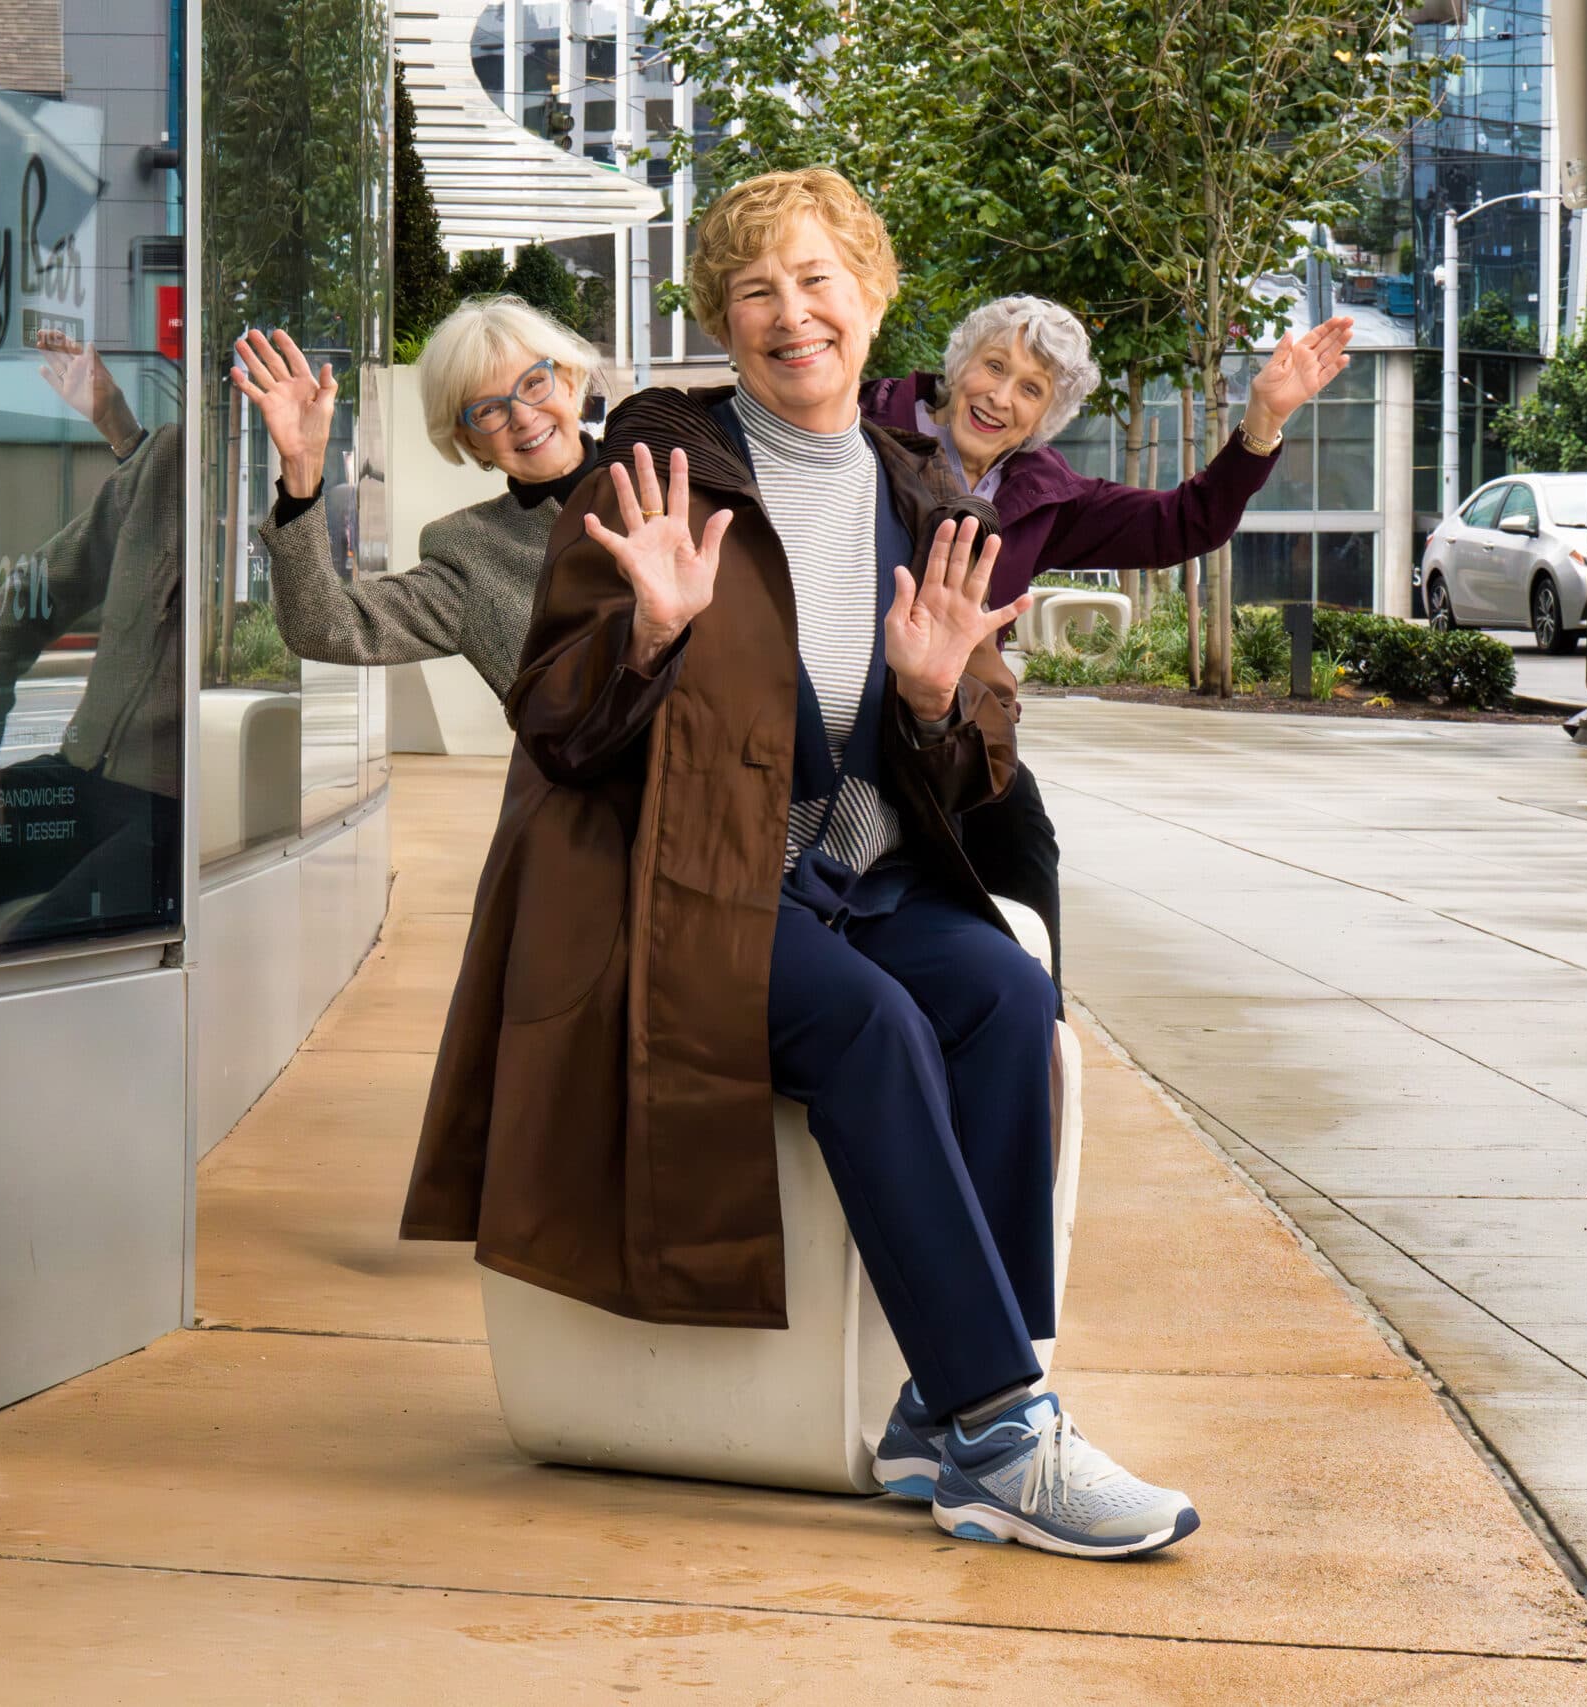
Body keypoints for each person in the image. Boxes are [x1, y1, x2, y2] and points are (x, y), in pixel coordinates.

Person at [401, 168, 1197, 1558]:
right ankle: (1005, 1428)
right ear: (721, 314)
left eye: (820, 279)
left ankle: (957, 1409)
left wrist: (942, 698)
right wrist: (647, 633)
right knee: (873, 1026)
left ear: (876, 301)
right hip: (678, 886)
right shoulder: (655, 469)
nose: (791, 313)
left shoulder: (922, 493)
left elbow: (967, 767)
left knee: (1006, 995)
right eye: (756, 288)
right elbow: (558, 727)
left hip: (854, 879)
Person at [861, 297, 1355, 981]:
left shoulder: (1043, 496)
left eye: (1030, 388)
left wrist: (1263, 419)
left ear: (1048, 414)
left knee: (1022, 833)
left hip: (951, 732)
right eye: (993, 366)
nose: (999, 397)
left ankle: (1039, 1036)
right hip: (836, 709)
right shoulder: (862, 425)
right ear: (959, 363)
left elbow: (1188, 522)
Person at [0, 328, 183, 954]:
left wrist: (124, 433)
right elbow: (25, 595)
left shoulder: (278, 488)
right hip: (77, 781)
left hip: (169, 812)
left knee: (23, 953)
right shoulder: (165, 464)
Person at [231, 297, 600, 696]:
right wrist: (302, 472)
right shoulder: (472, 554)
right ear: (471, 443)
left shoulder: (668, 476)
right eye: (489, 409)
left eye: (533, 382)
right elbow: (326, 628)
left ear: (568, 381)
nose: (524, 416)